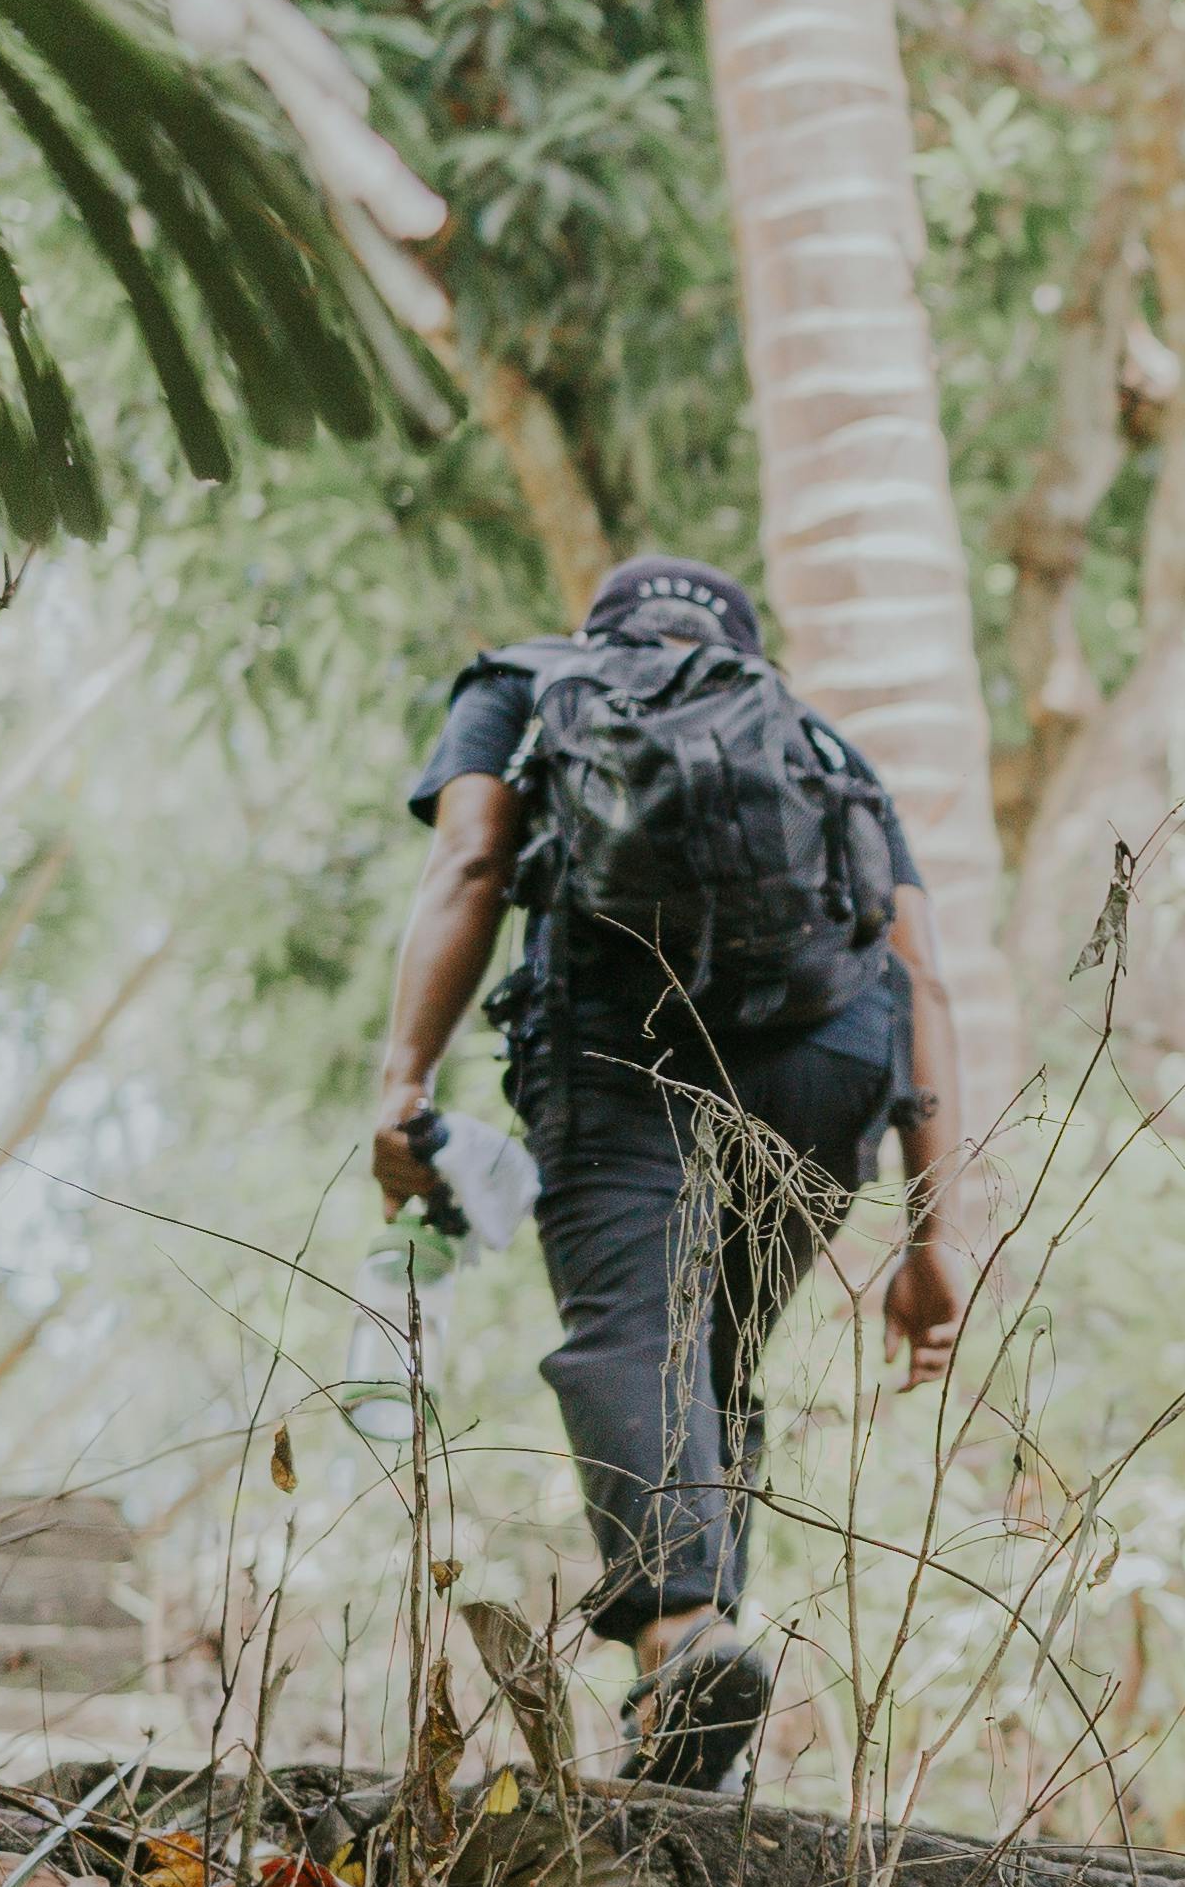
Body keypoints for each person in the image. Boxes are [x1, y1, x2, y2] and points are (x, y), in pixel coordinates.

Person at [367, 555, 969, 1788]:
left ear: (603, 632)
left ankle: (686, 1634)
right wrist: (933, 1233)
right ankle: (689, 1712)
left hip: (616, 1036)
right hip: (828, 1067)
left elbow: (473, 863)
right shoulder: (824, 747)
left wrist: (404, 1083)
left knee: (637, 1335)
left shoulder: (533, 682)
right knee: (716, 1361)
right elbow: (923, 978)